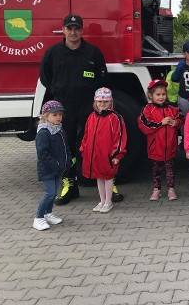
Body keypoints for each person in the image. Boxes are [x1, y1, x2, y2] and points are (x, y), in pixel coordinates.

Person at [39, 14, 124, 205]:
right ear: (63, 30)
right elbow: (45, 77)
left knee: (100, 146)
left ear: (82, 30)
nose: (73, 32)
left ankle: (110, 184)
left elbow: (103, 77)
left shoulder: (93, 52)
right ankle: (70, 185)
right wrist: (57, 91)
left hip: (88, 107)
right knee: (65, 147)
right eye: (69, 28)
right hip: (64, 108)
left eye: (76, 28)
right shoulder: (53, 52)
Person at [79, 88, 127, 213]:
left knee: (108, 177)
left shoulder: (115, 118)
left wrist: (117, 154)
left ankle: (108, 201)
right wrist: (84, 148)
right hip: (94, 154)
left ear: (110, 102)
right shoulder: (91, 116)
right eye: (100, 101)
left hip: (108, 155)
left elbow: (120, 137)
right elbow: (86, 134)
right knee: (98, 177)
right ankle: (102, 200)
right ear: (95, 102)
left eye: (105, 102)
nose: (102, 104)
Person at [138, 79, 183, 202]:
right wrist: (160, 123)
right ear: (150, 95)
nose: (161, 97)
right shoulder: (147, 109)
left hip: (170, 146)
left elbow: (181, 118)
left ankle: (171, 189)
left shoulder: (172, 109)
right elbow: (144, 125)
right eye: (158, 94)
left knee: (170, 170)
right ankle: (156, 189)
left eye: (163, 94)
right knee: (156, 170)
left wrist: (176, 122)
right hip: (156, 147)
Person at [33, 100, 72, 231]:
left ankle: (48, 213)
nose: (58, 117)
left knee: (54, 192)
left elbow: (66, 148)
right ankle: (38, 218)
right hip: (48, 169)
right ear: (46, 116)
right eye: (54, 115)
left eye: (60, 115)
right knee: (49, 193)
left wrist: (67, 162)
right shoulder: (44, 133)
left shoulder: (59, 130)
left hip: (58, 168)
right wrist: (55, 164)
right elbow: (43, 154)